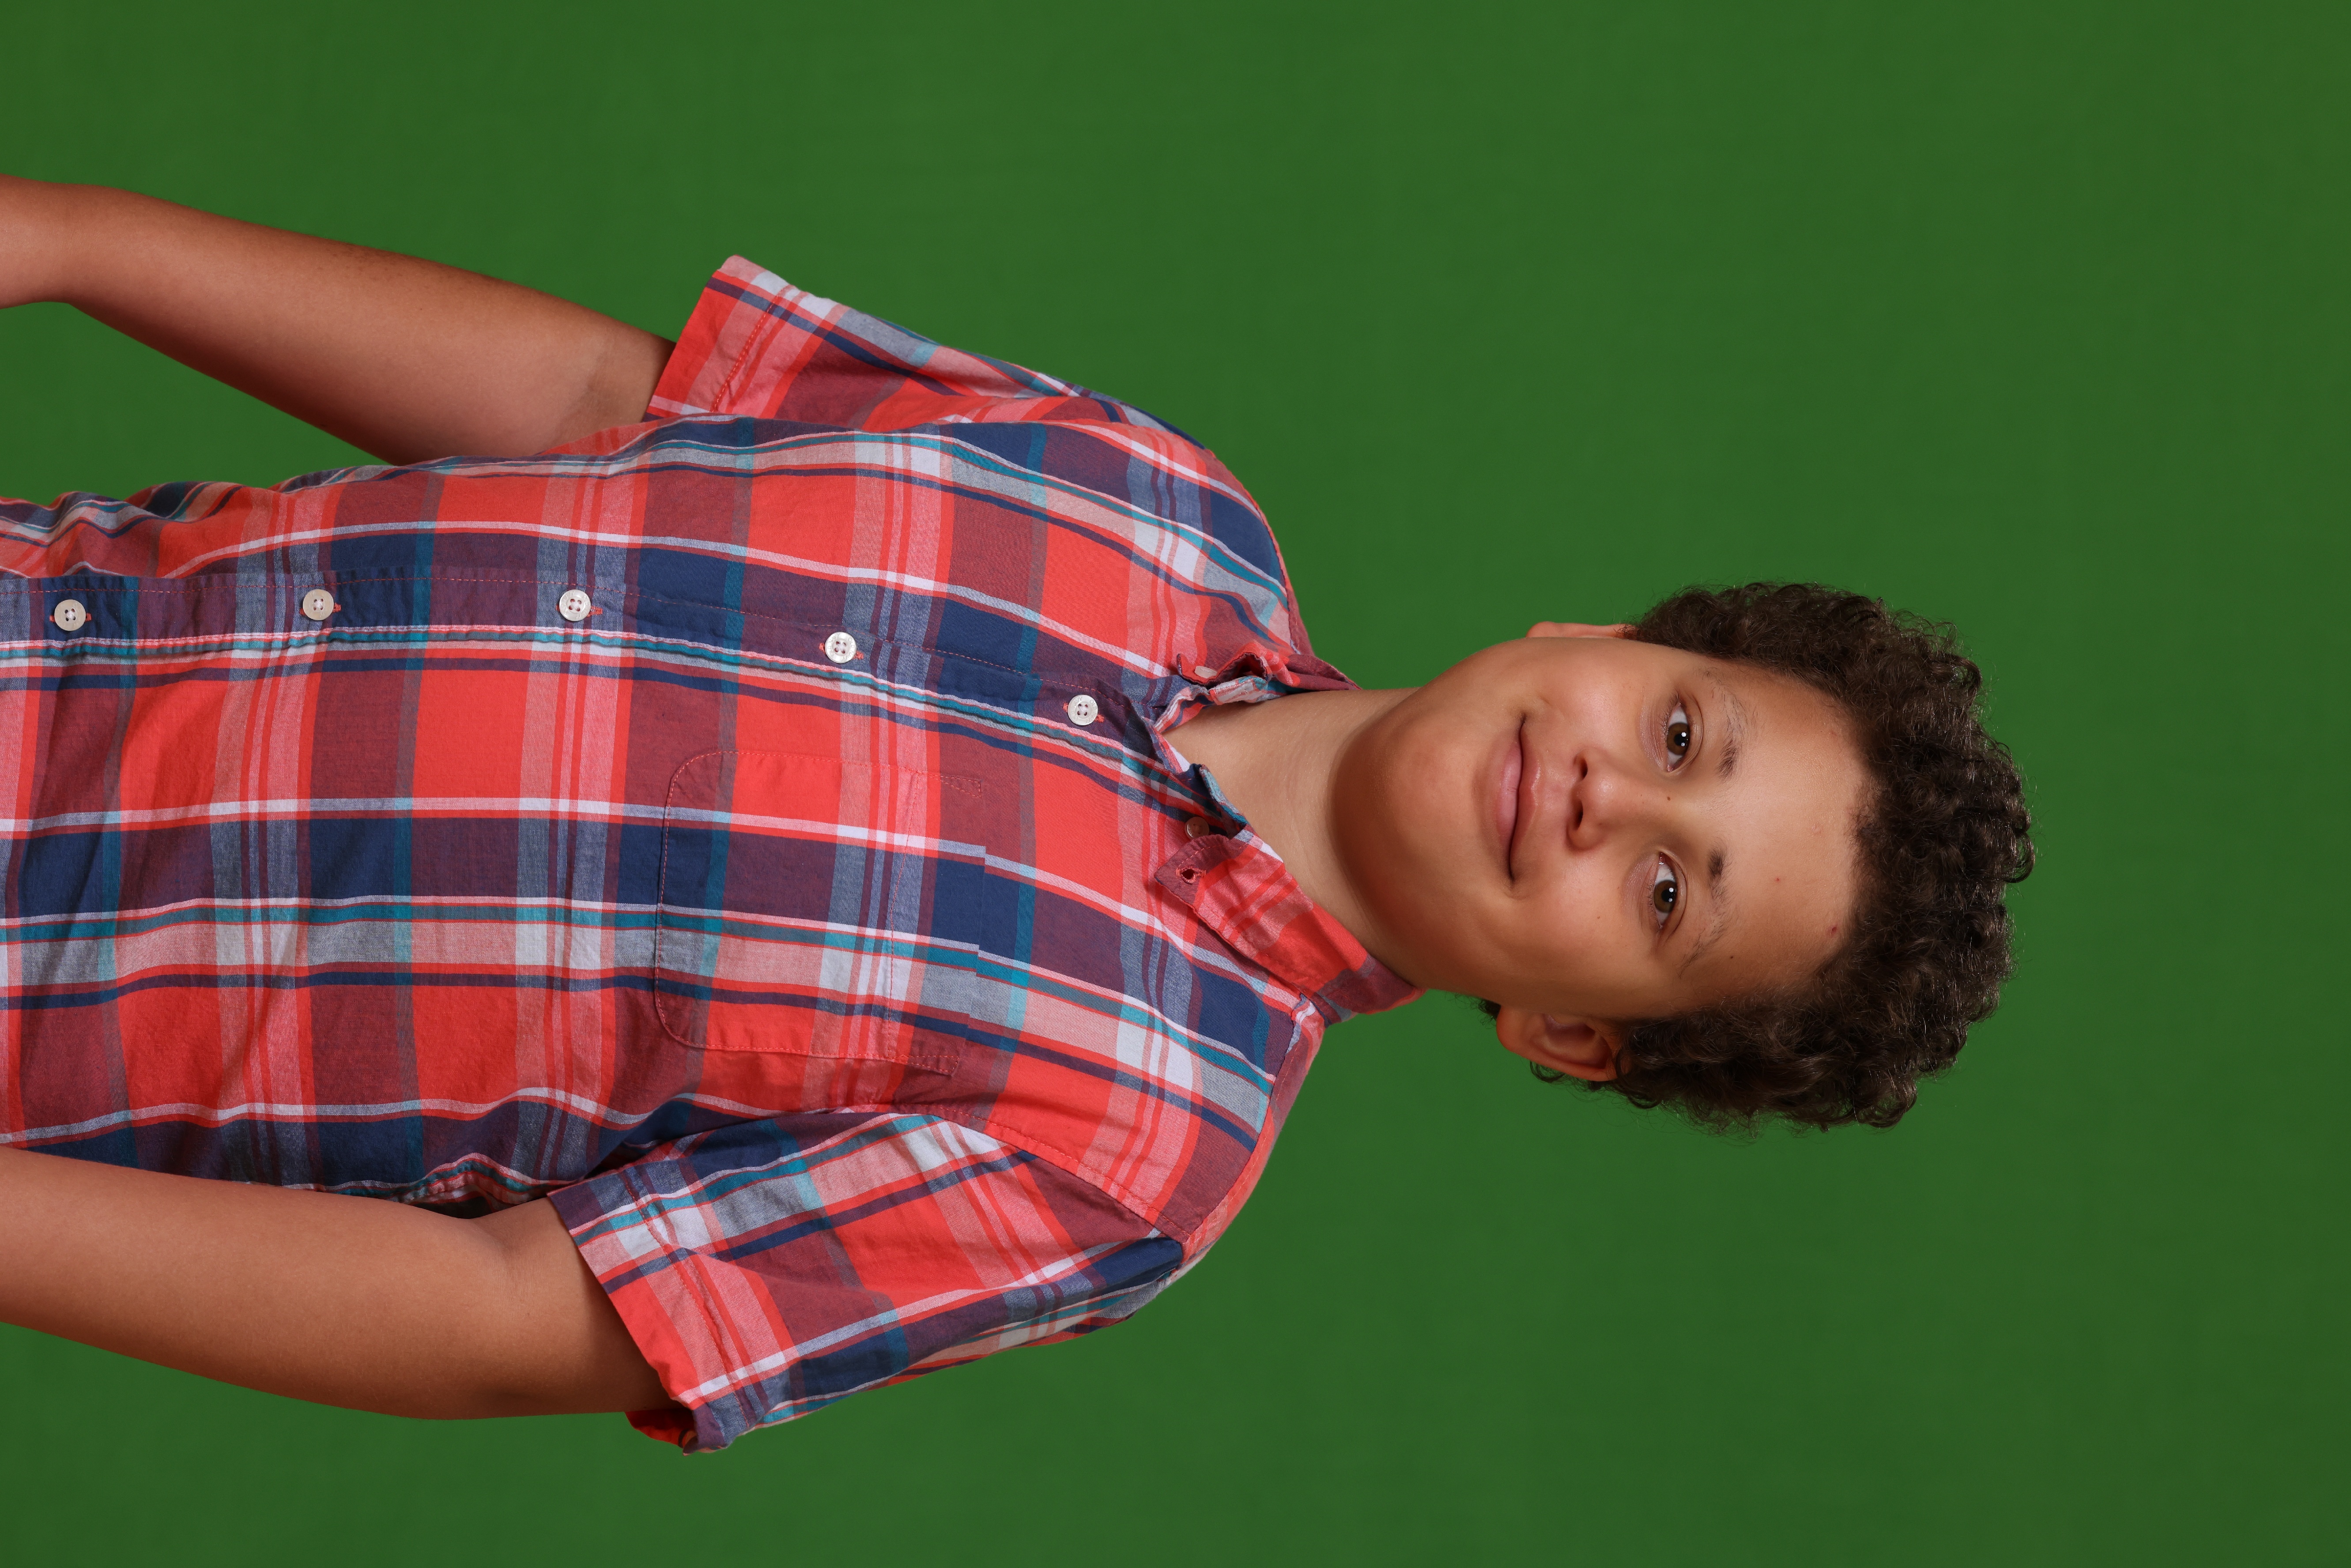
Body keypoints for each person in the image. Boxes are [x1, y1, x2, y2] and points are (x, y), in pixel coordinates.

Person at [0, 177, 2032, 1451]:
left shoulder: (1131, 1162)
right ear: (1592, 637)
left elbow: (503, 1312)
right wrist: (83, 245)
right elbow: (601, 408)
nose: (1603, 796)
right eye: (1678, 733)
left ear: (1572, 1033)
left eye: (1667, 891)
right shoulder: (1151, 495)